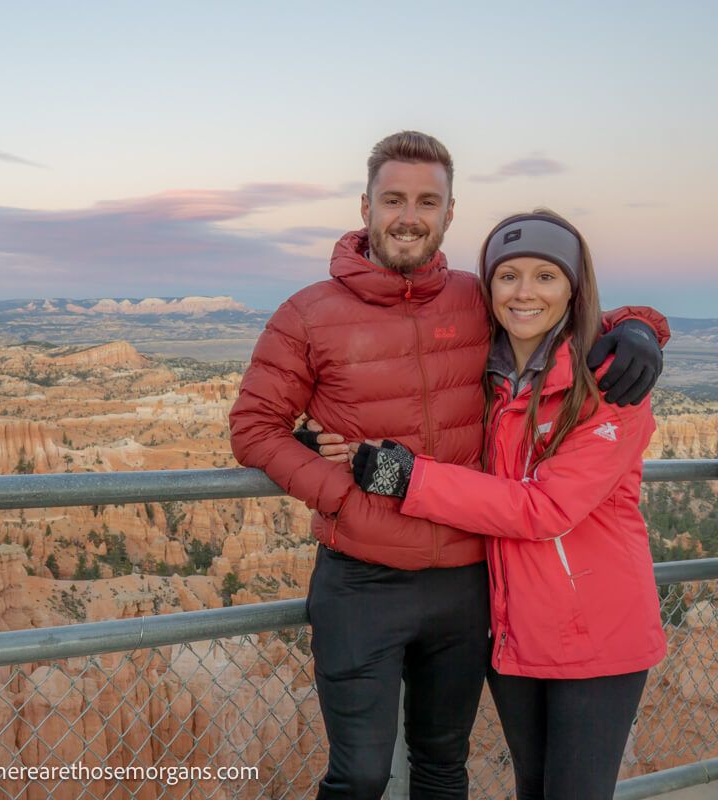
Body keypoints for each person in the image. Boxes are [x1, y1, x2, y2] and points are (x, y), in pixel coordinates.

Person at [227, 130, 665, 800]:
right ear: (366, 205)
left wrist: (640, 327)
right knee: (361, 775)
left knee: (441, 768)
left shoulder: (473, 298)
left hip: (464, 585)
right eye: (394, 198)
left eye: (427, 201)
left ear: (449, 213)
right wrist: (339, 494)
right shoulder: (307, 315)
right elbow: (255, 428)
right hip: (363, 582)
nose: (409, 215)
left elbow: (556, 308)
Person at [344, 209, 666, 799]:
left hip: (597, 633)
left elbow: (545, 510)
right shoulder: (485, 373)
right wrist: (328, 432)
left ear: (574, 286)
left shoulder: (612, 384)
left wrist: (409, 479)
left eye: (546, 276)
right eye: (508, 275)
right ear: (487, 285)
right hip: (514, 629)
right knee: (532, 788)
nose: (524, 293)